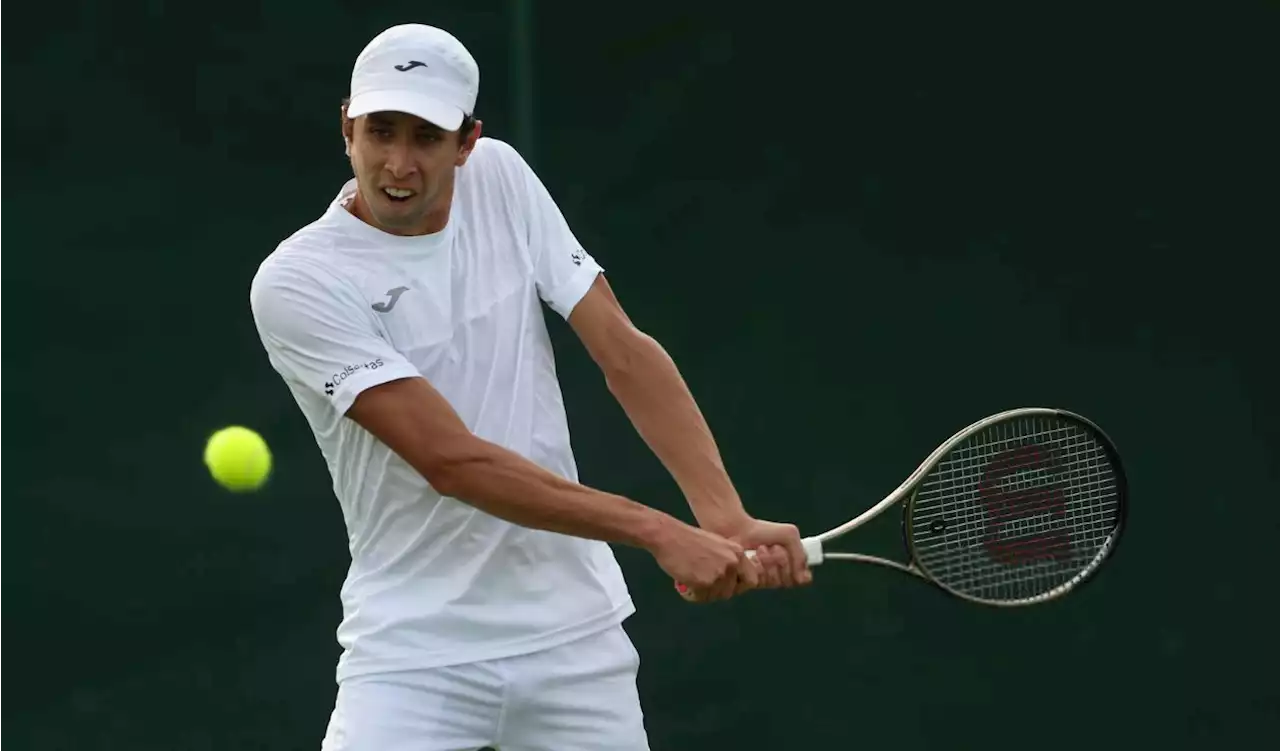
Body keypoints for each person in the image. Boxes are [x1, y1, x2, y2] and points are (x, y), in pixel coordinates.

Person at [249, 22, 812, 751]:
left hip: (573, 643)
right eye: (380, 131)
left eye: (426, 136)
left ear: (467, 143)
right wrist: (657, 529)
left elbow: (625, 353)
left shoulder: (503, 180)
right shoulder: (299, 281)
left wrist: (723, 515)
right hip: (414, 654)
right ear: (346, 128)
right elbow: (451, 461)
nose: (398, 161)